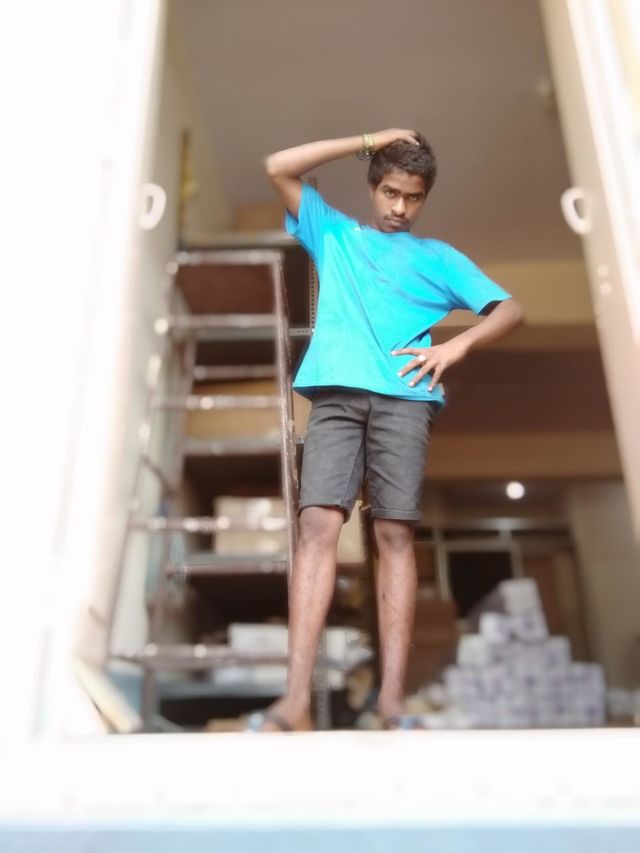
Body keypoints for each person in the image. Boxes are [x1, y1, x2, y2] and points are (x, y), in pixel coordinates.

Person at [247, 129, 523, 732]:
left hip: (406, 399)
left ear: (425, 198)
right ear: (373, 187)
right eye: (391, 192)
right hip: (337, 396)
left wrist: (456, 347)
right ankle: (294, 702)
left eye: (413, 197)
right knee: (317, 527)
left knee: (395, 533)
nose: (400, 207)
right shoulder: (335, 234)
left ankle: (392, 702)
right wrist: (372, 138)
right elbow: (277, 165)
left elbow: (510, 309)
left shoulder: (439, 258)